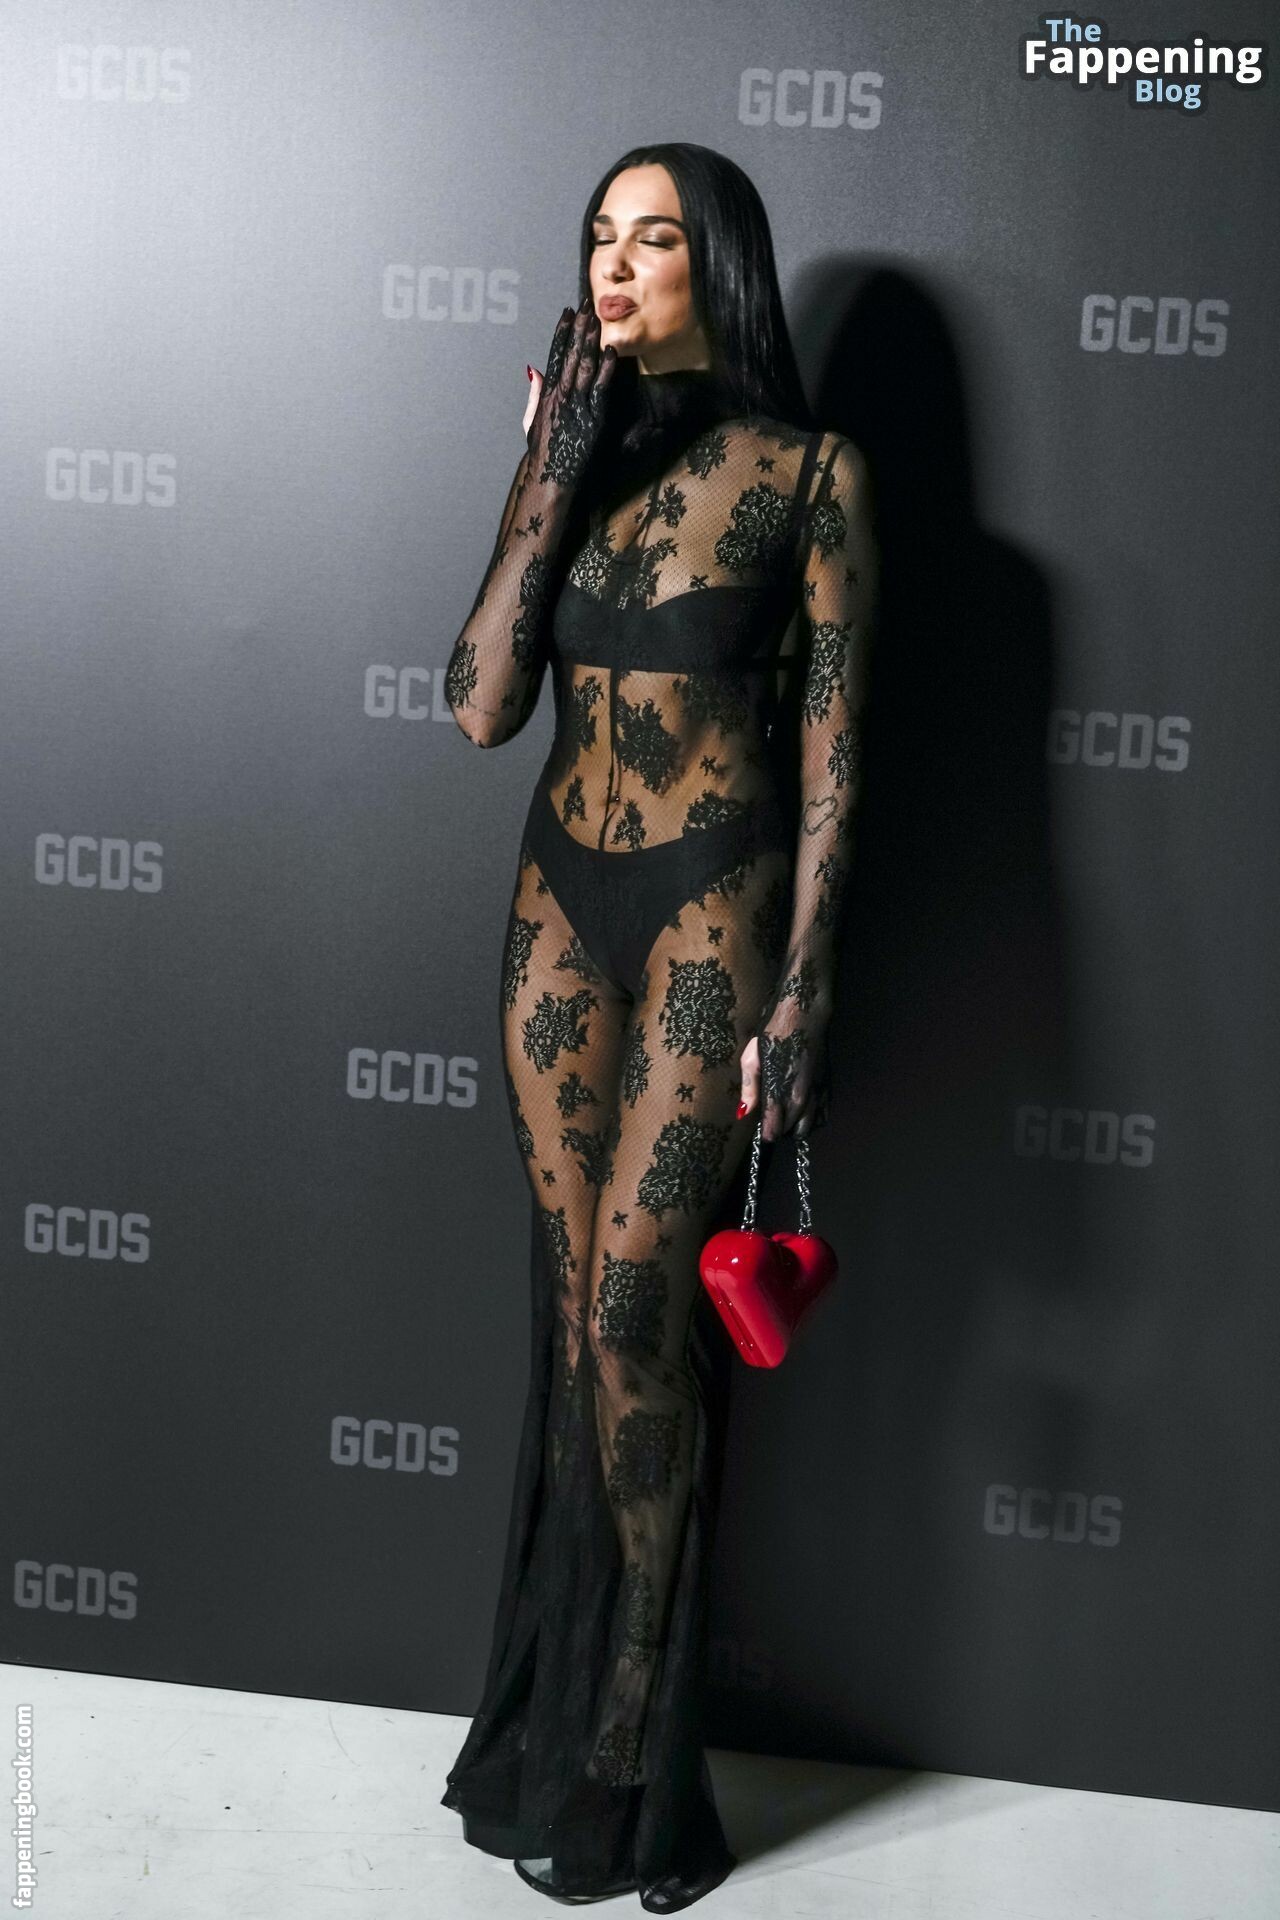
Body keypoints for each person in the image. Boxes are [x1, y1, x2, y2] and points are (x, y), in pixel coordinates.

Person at [439, 142, 877, 1911]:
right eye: (599, 239)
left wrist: (809, 982)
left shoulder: (812, 475)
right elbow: (478, 705)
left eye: (656, 239)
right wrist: (546, 470)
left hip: (717, 905)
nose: (615, 267)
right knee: (571, 1325)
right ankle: (553, 1725)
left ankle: (632, 1755)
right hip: (560, 909)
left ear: (722, 264)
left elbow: (838, 753)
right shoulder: (579, 453)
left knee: (637, 1317)